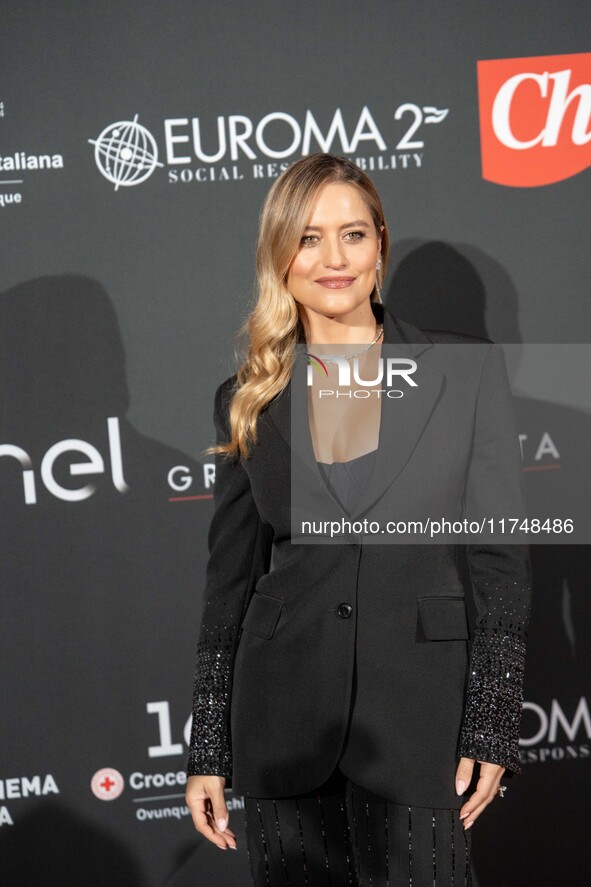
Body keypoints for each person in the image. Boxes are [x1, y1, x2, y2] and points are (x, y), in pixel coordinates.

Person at [185, 153, 532, 886]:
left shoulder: (462, 373)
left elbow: (501, 560)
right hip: (283, 718)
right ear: (279, 254)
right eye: (308, 238)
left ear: (381, 243)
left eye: (352, 234)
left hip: (420, 718)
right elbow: (229, 583)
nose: (333, 259)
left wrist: (492, 718)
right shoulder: (248, 395)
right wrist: (208, 745)